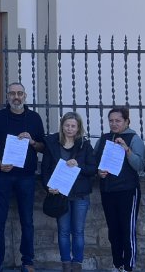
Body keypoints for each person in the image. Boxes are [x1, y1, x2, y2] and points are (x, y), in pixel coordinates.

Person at [0, 82, 45, 272]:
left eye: (19, 93)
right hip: (2, 175)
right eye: (12, 93)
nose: (16, 97)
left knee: (27, 220)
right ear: (8, 96)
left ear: (25, 96)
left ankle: (28, 261)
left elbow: (43, 146)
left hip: (26, 177)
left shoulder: (34, 118)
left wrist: (32, 141)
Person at [93, 106, 145, 272]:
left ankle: (129, 266)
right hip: (108, 190)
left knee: (127, 230)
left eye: (118, 121)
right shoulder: (104, 138)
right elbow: (94, 161)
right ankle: (118, 265)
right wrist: (98, 172)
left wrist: (126, 149)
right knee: (113, 230)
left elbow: (139, 166)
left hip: (127, 190)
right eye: (111, 121)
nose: (114, 124)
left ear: (126, 121)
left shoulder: (134, 138)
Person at [41, 112, 95, 272]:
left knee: (78, 231)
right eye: (67, 125)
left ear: (78, 128)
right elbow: (45, 169)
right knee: (63, 231)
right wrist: (47, 187)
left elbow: (92, 169)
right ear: (62, 126)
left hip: (80, 195)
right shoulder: (52, 143)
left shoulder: (85, 145)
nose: (70, 129)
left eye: (73, 126)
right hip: (60, 194)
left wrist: (78, 165)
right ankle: (65, 263)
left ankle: (77, 264)